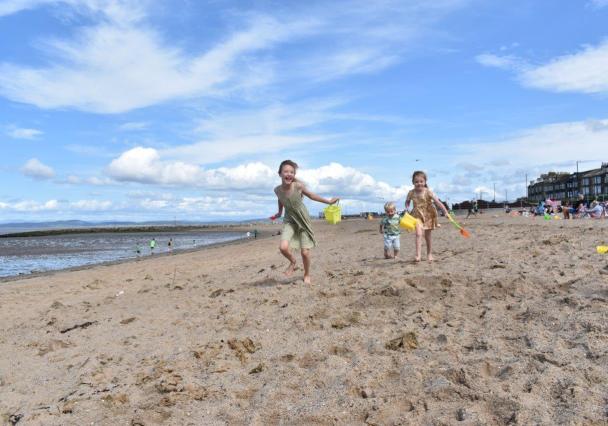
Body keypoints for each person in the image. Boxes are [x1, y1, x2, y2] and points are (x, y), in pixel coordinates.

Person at [270, 160, 339, 284]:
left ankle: (307, 274)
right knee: (283, 247)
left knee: (305, 252)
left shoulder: (298, 186)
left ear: (294, 175)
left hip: (303, 220)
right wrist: (279, 212)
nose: (289, 174)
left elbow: (312, 196)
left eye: (292, 172)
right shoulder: (277, 190)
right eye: (286, 171)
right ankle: (293, 261)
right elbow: (280, 199)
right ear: (279, 174)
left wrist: (329, 202)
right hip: (290, 220)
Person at [405, 171, 450, 262]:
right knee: (418, 234)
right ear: (413, 182)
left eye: (421, 181)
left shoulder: (428, 192)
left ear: (425, 182)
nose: (419, 183)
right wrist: (407, 207)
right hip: (417, 215)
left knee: (427, 236)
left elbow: (438, 202)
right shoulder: (411, 192)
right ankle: (418, 256)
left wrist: (445, 212)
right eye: (416, 181)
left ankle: (429, 254)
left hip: (428, 215)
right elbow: (407, 201)